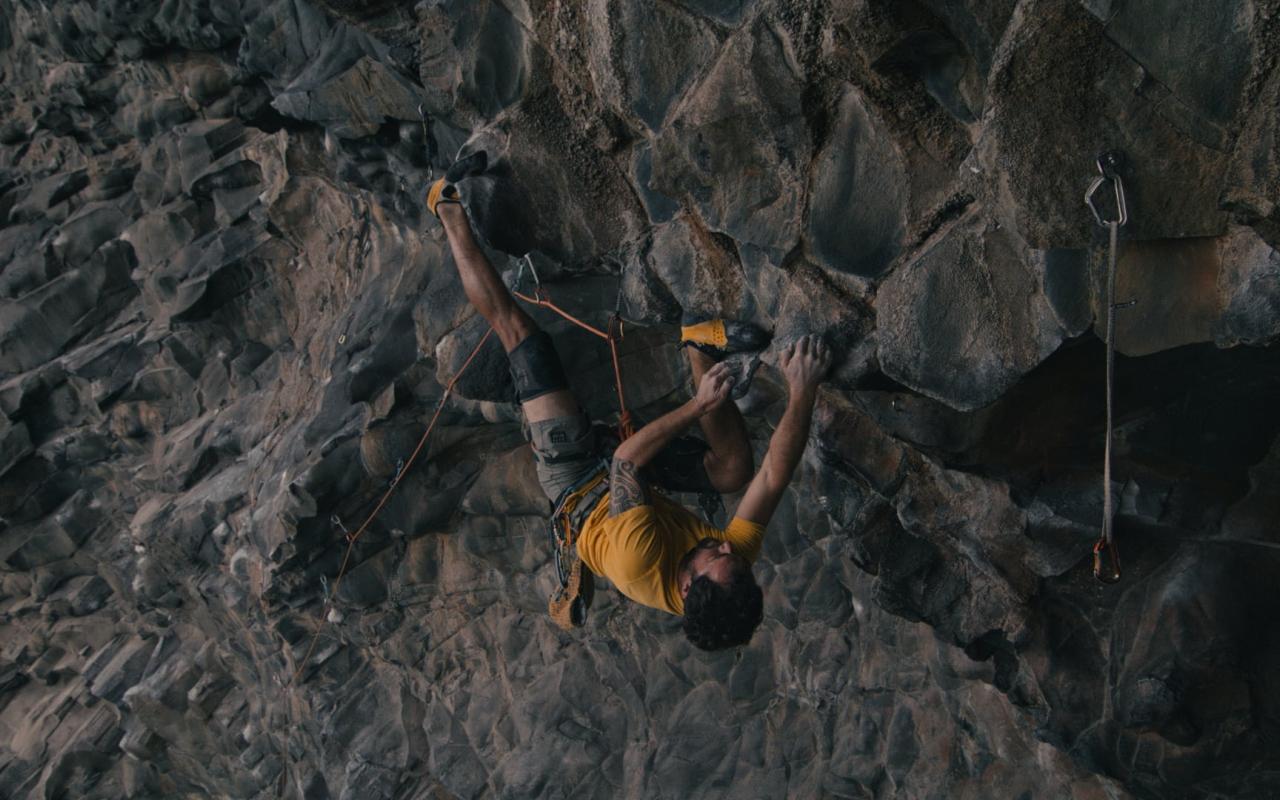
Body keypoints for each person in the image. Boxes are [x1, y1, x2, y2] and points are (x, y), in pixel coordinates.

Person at [428, 165, 831, 650]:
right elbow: (771, 478)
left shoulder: (637, 563)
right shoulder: (730, 569)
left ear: (687, 588)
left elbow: (625, 462)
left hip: (578, 480)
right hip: (632, 488)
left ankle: (446, 208)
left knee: (522, 338)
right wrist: (803, 388)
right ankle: (698, 346)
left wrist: (698, 407)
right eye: (733, 555)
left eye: (718, 556)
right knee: (734, 471)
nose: (727, 545)